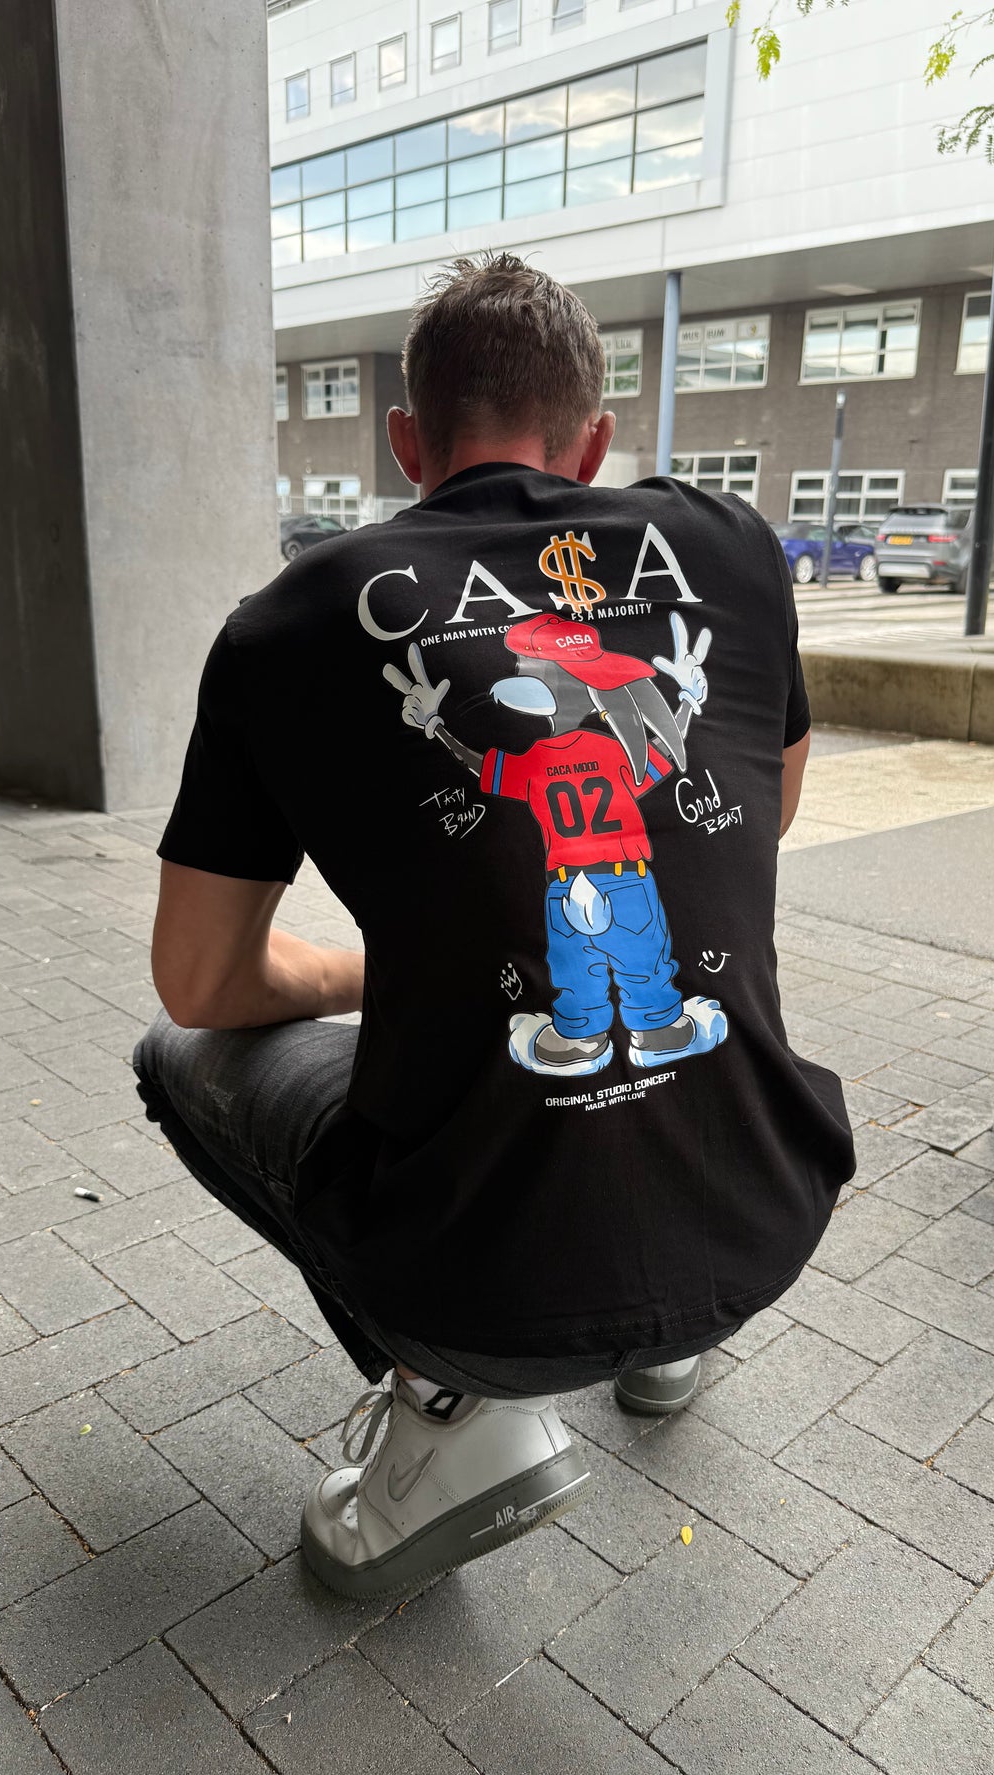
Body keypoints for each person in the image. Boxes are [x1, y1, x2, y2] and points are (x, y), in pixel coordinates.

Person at [135, 252, 854, 1601]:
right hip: (762, 1212)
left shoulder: (285, 624)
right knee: (641, 988)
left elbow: (200, 981)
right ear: (595, 442)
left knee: (175, 1058)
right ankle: (668, 1337)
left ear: (407, 444)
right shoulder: (732, 547)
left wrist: (389, 971)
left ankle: (454, 1413)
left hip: (480, 1284)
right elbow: (769, 814)